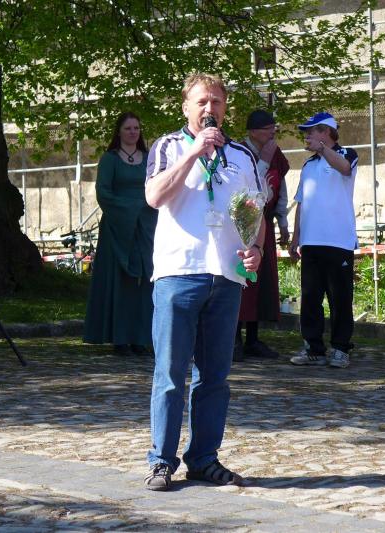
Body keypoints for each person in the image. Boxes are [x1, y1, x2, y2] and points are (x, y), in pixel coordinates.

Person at [143, 73, 265, 491]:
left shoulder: (242, 156)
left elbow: (255, 211)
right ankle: (161, 461)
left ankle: (203, 458)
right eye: (201, 102)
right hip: (179, 273)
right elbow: (154, 197)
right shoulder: (168, 146)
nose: (209, 108)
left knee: (214, 378)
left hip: (226, 276)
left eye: (216, 101)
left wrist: (256, 248)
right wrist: (194, 152)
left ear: (225, 107)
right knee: (171, 374)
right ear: (186, 107)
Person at [83, 112, 158, 356]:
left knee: (145, 282)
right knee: (121, 282)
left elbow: (157, 188)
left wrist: (147, 211)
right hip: (117, 227)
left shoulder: (149, 158)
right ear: (119, 131)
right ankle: (120, 338)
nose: (133, 132)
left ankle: (140, 338)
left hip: (145, 227)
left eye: (136, 128)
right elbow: (103, 193)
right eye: (128, 128)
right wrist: (132, 208)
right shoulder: (110, 159)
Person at [289, 112, 358, 369]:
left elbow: (344, 168)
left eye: (311, 131)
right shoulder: (308, 165)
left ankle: (340, 348)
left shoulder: (347, 153)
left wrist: (323, 149)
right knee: (310, 298)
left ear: (326, 132)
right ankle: (313, 348)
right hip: (311, 241)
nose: (306, 135)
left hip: (338, 240)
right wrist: (295, 237)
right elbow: (301, 202)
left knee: (340, 298)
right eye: (306, 132)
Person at [233, 109, 291, 362]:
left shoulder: (275, 153)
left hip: (264, 225)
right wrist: (263, 161)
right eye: (268, 129)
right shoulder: (239, 152)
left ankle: (253, 340)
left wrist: (283, 221)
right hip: (242, 225)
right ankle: (234, 340)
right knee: (241, 280)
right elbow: (245, 187)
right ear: (254, 132)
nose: (272, 133)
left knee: (260, 282)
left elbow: (280, 187)